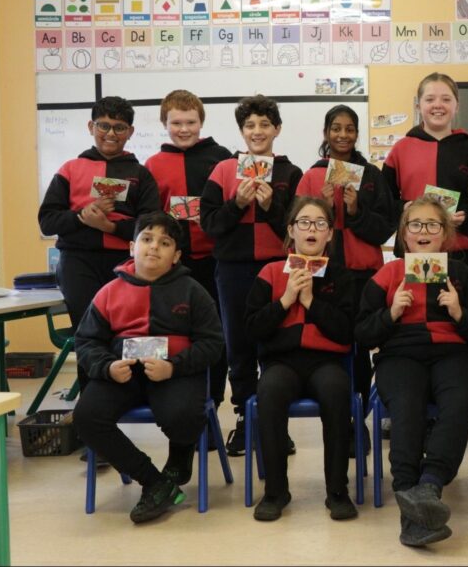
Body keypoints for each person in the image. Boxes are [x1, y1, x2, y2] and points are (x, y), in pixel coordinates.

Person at [355, 197, 468, 547]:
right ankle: (406, 494)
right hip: (400, 356)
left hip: (452, 355)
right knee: (406, 406)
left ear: (445, 234)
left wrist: (460, 313)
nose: (423, 232)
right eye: (415, 225)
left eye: (433, 225)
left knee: (462, 398)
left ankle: (429, 485)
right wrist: (391, 314)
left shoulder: (461, 275)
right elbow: (363, 333)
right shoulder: (386, 275)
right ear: (404, 234)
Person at [73, 212, 224, 524]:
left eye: (165, 242)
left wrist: (174, 368)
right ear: (131, 247)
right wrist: (107, 367)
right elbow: (86, 342)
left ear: (176, 256)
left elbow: (213, 343)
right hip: (123, 373)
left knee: (182, 415)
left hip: (175, 373)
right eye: (147, 239)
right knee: (87, 417)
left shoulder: (193, 291)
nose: (154, 247)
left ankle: (180, 455)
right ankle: (154, 482)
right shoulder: (108, 292)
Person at [200, 95, 303, 456]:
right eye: (249, 126)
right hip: (233, 269)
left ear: (276, 129)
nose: (257, 131)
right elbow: (210, 224)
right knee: (239, 343)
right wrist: (238, 204)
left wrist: (270, 205)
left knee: (275, 341)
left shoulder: (290, 173)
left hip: (277, 268)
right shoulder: (224, 171)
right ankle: (246, 415)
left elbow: (296, 229)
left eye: (264, 124)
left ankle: (275, 420)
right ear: (241, 131)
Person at [38, 95, 161, 394]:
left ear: (130, 132)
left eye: (119, 127)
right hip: (78, 264)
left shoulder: (141, 174)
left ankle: (136, 395)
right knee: (88, 333)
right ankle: (93, 400)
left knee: (133, 331)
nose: (110, 133)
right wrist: (81, 217)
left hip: (126, 265)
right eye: (103, 126)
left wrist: (110, 226)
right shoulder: (69, 169)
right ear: (91, 126)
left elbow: (150, 226)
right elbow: (47, 221)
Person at [245, 197, 357, 522]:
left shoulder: (341, 276)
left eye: (320, 223)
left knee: (337, 391)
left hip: (326, 363)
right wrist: (285, 300)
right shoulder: (268, 273)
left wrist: (311, 302)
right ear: (291, 230)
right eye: (304, 222)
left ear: (329, 235)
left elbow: (346, 332)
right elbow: (252, 328)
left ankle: (337, 490)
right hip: (282, 363)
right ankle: (276, 491)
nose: (312, 229)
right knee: (270, 391)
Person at [296, 104, 395, 454]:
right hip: (322, 273)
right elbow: (298, 226)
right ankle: (337, 417)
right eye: (335, 128)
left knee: (360, 348)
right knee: (330, 343)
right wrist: (321, 206)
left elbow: (384, 228)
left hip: (364, 273)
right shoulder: (311, 175)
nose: (342, 135)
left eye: (349, 129)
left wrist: (355, 210)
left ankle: (358, 420)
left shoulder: (371, 175)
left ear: (356, 133)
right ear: (326, 133)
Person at [145, 89, 233, 414]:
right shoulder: (153, 164)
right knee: (179, 334)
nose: (184, 129)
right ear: (165, 123)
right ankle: (184, 403)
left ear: (201, 122)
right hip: (174, 265)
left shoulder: (222, 157)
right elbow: (149, 217)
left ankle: (214, 403)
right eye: (176, 122)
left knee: (217, 334)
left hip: (216, 260)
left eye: (190, 122)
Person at [382, 72, 468, 272]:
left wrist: (465, 216)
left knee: (459, 302)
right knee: (415, 302)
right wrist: (405, 207)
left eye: (446, 99)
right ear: (419, 106)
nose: (438, 105)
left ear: (456, 106)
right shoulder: (400, 149)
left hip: (459, 249)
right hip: (414, 247)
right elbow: (384, 200)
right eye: (430, 99)